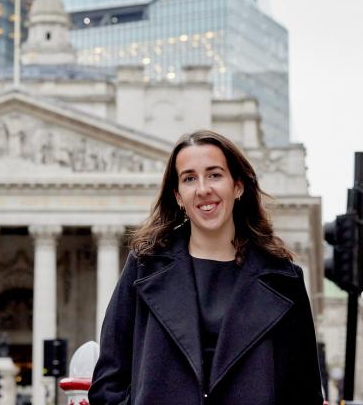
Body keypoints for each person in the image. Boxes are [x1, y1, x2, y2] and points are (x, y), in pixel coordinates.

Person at [89, 130, 324, 405]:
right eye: (189, 178)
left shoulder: (283, 279)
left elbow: (303, 391)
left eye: (214, 175)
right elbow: (109, 381)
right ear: (178, 196)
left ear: (237, 186)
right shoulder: (144, 266)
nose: (203, 189)